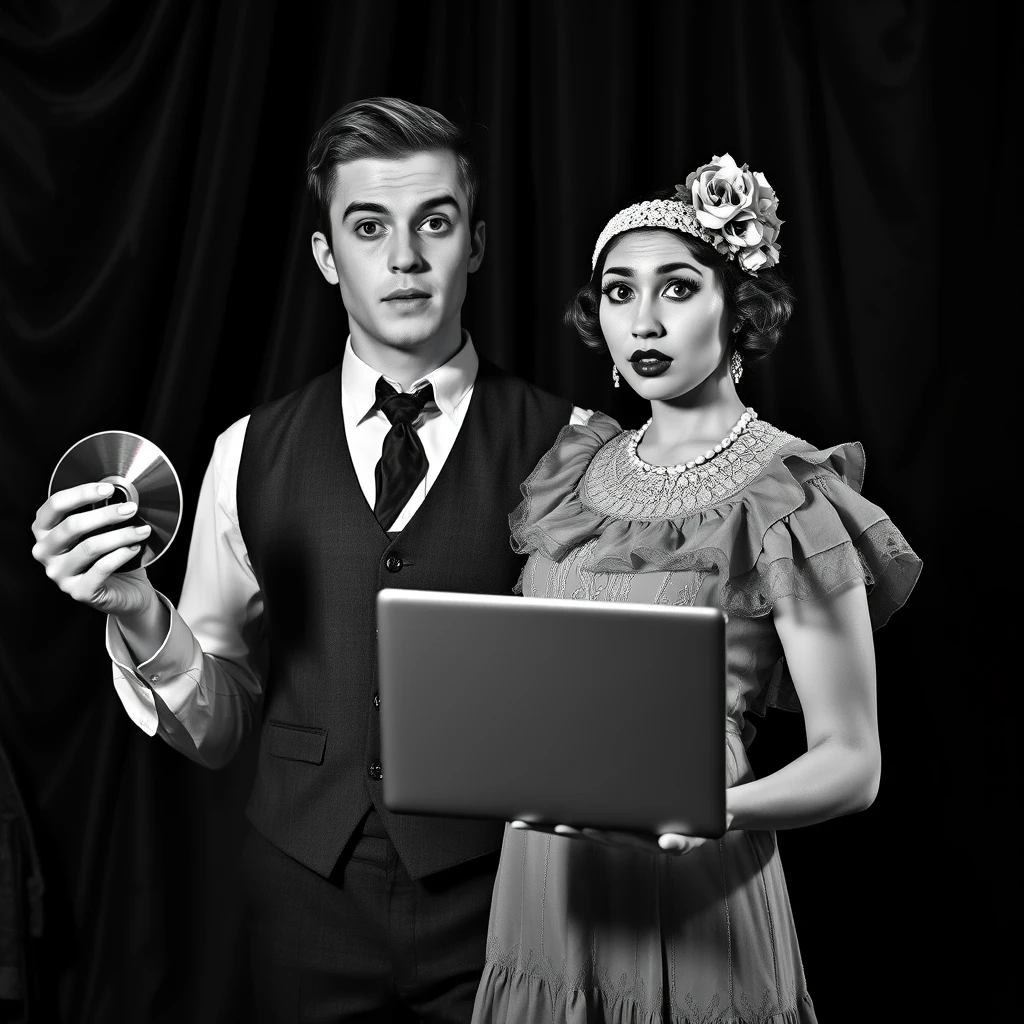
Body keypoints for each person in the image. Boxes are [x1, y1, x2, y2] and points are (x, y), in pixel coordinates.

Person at [30, 97, 589, 1023]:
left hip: (509, 901)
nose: (405, 259)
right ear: (329, 255)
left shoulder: (573, 447)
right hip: (302, 904)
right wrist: (135, 610)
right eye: (369, 228)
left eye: (435, 224)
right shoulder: (247, 451)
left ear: (476, 245)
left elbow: (598, 704)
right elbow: (216, 725)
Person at [471, 156, 922, 1023]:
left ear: (738, 309)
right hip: (538, 888)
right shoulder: (572, 473)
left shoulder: (786, 490)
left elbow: (852, 764)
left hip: (690, 888)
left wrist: (709, 811)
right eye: (617, 291)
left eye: (677, 289)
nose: (642, 319)